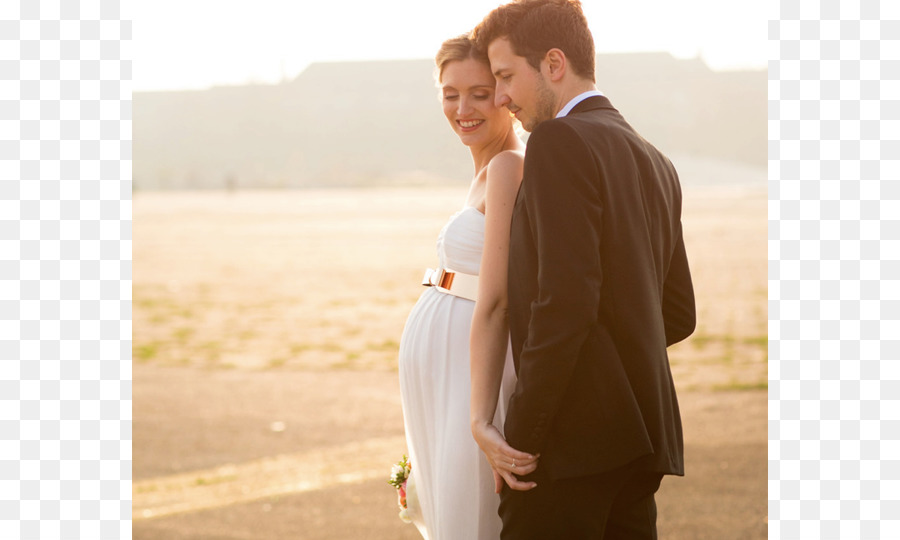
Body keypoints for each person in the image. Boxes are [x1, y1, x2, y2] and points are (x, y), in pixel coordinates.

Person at [468, 1, 697, 538]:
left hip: (570, 446)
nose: (501, 97)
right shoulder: (655, 158)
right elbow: (677, 312)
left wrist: (524, 435)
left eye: (505, 77)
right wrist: (619, 372)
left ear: (553, 64)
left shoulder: (557, 141)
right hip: (644, 441)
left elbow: (564, 302)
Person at [397, 35, 536, 540]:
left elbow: (498, 297)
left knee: (472, 515)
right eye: (450, 93)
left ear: (504, 92)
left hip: (474, 373)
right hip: (447, 375)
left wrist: (481, 414)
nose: (463, 108)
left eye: (479, 92)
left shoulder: (508, 166)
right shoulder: (483, 168)